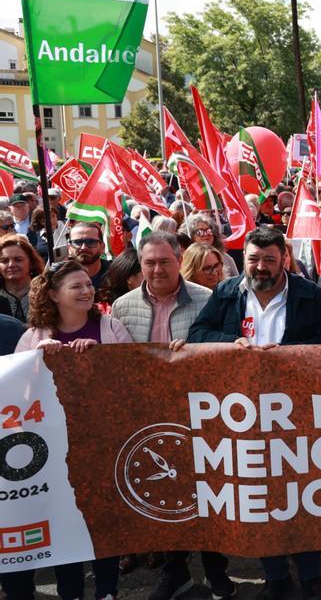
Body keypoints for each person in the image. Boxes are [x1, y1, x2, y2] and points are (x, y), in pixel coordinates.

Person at [188, 226, 321, 600]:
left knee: (301, 495)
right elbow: (198, 333)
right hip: (243, 413)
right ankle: (275, 577)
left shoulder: (310, 294)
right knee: (263, 496)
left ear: (283, 259)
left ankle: (310, 574)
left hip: (295, 411)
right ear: (243, 260)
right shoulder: (226, 292)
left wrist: (286, 357)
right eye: (253, 259)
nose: (260, 267)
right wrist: (231, 343)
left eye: (269, 260)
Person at [5, 260, 132, 600]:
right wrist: (36, 361)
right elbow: (15, 399)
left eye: (88, 284)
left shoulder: (110, 328)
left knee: (103, 522)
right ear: (53, 294)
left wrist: (101, 358)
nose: (87, 291)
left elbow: (132, 383)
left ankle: (107, 591)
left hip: (103, 446)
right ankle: (71, 592)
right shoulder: (33, 337)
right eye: (76, 286)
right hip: (54, 452)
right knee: (64, 524)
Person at [111, 235, 226, 600]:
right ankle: (175, 570)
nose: (157, 269)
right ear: (139, 265)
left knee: (207, 493)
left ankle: (215, 570)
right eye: (149, 263)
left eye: (164, 261)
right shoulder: (123, 306)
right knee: (166, 495)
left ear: (179, 260)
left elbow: (221, 350)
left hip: (200, 413)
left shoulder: (209, 299)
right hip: (150, 416)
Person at [0, 234, 43, 322]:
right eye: (4, 261)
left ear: (31, 262)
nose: (11, 265)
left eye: (18, 259)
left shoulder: (46, 293)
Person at [183, 213, 238, 278]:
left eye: (209, 231)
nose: (206, 234)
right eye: (200, 232)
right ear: (191, 235)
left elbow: (236, 282)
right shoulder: (184, 259)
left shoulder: (226, 258)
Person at [68, 221, 111, 289]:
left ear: (102, 247)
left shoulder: (116, 274)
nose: (83, 247)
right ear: (69, 248)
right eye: (77, 242)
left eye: (91, 242)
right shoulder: (60, 277)